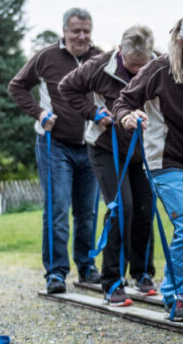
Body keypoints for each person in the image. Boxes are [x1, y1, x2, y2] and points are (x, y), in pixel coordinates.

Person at [115, 13, 183, 322]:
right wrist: (127, 116)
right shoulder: (159, 70)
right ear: (181, 41)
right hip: (167, 161)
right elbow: (124, 100)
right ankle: (174, 292)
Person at [58, 24, 158, 306]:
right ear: (121, 52)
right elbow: (67, 87)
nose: (137, 71)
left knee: (144, 207)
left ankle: (142, 274)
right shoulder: (99, 66)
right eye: (132, 64)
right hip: (106, 148)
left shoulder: (158, 64)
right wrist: (93, 112)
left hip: (141, 150)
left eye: (143, 65)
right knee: (120, 208)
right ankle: (112, 281)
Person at [9, 8, 103, 294]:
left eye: (86, 30)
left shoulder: (99, 58)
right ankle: (56, 273)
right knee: (58, 210)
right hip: (54, 145)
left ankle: (87, 269)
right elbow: (17, 86)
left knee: (87, 213)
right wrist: (39, 113)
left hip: (90, 144)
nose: (82, 36)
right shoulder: (46, 57)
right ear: (64, 31)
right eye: (76, 31)